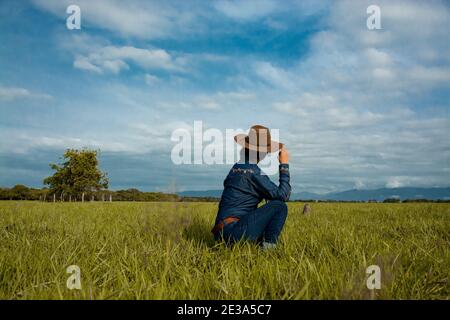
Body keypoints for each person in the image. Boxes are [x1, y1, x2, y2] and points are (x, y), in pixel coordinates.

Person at [211, 125, 291, 249]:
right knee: (279, 206)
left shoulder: (236, 167)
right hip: (233, 232)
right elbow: (283, 195)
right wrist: (284, 164)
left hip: (221, 232)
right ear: (263, 153)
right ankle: (268, 253)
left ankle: (257, 246)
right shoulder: (254, 172)